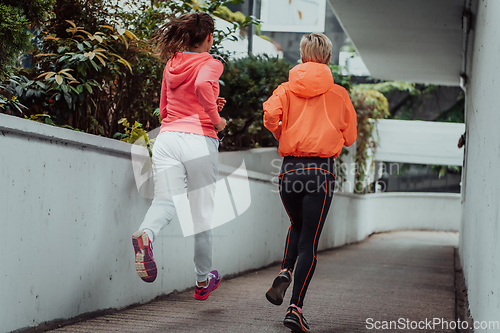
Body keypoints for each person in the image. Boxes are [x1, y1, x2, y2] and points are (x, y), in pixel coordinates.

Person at [263, 33, 357, 332]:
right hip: (321, 173)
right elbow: (351, 136)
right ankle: (295, 308)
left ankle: (286, 269)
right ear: (328, 58)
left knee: (297, 224)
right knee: (310, 245)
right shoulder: (339, 94)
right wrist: (335, 137)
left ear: (302, 56)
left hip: (289, 170)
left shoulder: (285, 89)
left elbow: (269, 117)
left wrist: (283, 134)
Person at [131, 12, 227, 301]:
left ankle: (146, 234)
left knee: (164, 202)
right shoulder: (212, 63)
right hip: (199, 140)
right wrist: (217, 120)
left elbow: (164, 109)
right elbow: (199, 87)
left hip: (168, 137)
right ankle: (202, 281)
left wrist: (210, 103)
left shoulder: (172, 63)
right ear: (208, 38)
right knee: (201, 216)